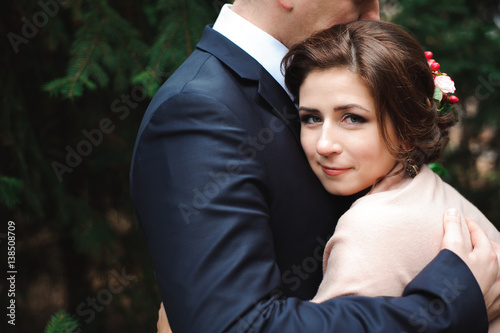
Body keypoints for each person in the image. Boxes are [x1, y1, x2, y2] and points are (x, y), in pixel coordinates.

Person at [130, 1, 500, 332]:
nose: (372, 14)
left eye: (352, 118)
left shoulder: (317, 83)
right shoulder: (197, 111)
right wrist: (441, 308)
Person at [282, 19, 500, 330]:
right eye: (312, 118)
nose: (324, 145)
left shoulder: (370, 227)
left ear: (407, 129)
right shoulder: (429, 190)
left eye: (353, 118)